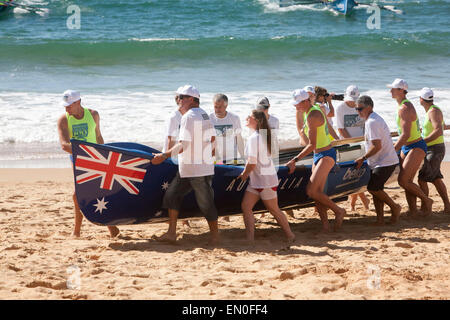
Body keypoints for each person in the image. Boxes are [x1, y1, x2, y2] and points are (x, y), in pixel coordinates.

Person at [151, 85, 220, 245]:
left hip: (196, 170)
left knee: (206, 203)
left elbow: (183, 145)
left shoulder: (188, 117)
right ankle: (171, 233)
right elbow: (213, 140)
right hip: (192, 168)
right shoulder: (204, 114)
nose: (178, 101)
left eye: (181, 97)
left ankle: (216, 237)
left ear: (190, 99)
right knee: (172, 196)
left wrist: (164, 155)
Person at [57, 90, 120, 238]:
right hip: (78, 158)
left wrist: (104, 155)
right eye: (65, 106)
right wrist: (86, 153)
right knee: (78, 194)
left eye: (69, 106)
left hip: (97, 158)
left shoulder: (93, 115)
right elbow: (65, 145)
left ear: (78, 102)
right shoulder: (64, 120)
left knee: (99, 191)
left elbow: (98, 136)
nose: (66, 109)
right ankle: (78, 231)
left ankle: (110, 227)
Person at [286, 89, 346, 233]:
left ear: (305, 101)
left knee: (312, 191)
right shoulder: (311, 110)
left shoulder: (313, 114)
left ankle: (339, 211)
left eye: (297, 104)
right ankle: (325, 226)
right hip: (318, 154)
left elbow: (312, 144)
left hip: (326, 154)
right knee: (317, 194)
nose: (295, 106)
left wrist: (295, 159)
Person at [238, 109, 295, 243]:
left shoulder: (255, 138)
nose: (246, 117)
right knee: (246, 207)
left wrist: (244, 174)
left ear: (256, 121)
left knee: (274, 210)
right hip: (258, 180)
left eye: (249, 116)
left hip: (265, 181)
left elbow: (251, 163)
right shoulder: (263, 136)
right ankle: (250, 238)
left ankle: (290, 235)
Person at [388, 78, 433, 216]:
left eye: (393, 89)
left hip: (416, 146)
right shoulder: (402, 106)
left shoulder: (405, 108)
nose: (390, 90)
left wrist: (392, 149)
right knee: (408, 181)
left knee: (403, 180)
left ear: (401, 91)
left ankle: (427, 200)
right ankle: (413, 210)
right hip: (407, 147)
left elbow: (406, 134)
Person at [354, 95, 401, 225]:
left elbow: (377, 146)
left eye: (360, 109)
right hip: (382, 161)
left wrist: (363, 158)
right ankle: (380, 219)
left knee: (373, 188)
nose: (358, 112)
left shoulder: (372, 122)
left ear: (369, 107)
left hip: (384, 161)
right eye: (356, 109)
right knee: (377, 189)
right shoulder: (373, 119)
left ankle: (394, 207)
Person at [335, 85, 370, 211]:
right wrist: (351, 143)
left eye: (354, 99)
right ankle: (362, 200)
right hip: (347, 145)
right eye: (350, 99)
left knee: (356, 174)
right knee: (351, 175)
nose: (352, 102)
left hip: (362, 143)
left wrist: (365, 140)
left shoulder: (360, 106)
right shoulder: (340, 108)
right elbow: (340, 128)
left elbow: (366, 124)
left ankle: (354, 203)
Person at [417, 87, 450, 215]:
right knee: (436, 178)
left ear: (421, 99)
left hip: (435, 149)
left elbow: (438, 130)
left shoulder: (433, 111)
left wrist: (422, 141)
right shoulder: (432, 110)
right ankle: (447, 206)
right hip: (434, 148)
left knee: (422, 179)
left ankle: (425, 208)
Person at [162, 87, 191, 227]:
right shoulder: (174, 116)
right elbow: (170, 139)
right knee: (175, 190)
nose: (180, 100)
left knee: (183, 189)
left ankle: (185, 219)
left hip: (184, 157)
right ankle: (177, 221)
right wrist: (167, 158)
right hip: (174, 157)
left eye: (183, 97)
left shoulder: (191, 115)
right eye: (179, 98)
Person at [209, 93, 245, 164]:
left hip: (232, 158)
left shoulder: (234, 118)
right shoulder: (209, 119)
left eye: (220, 107)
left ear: (226, 106)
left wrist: (243, 156)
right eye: (215, 107)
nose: (217, 109)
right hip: (216, 159)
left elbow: (239, 138)